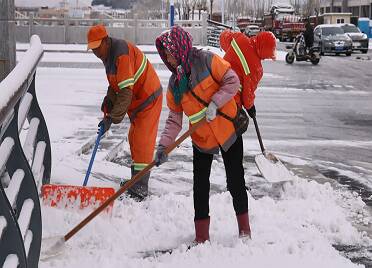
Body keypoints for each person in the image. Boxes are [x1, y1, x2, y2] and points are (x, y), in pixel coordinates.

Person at [154, 26, 251, 244]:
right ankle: (201, 237)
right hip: (202, 139)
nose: (168, 59)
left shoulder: (206, 60)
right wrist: (163, 147)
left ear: (178, 49)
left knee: (235, 180)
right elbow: (174, 119)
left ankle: (245, 231)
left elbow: (232, 80)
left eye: (169, 54)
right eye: (166, 55)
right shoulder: (175, 83)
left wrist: (216, 102)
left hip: (228, 130)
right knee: (200, 186)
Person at [87, 24, 163, 200]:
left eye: (97, 48)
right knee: (134, 139)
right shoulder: (108, 56)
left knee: (142, 141)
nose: (96, 53)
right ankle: (135, 181)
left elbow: (126, 91)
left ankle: (140, 188)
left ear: (106, 41)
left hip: (148, 98)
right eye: (93, 50)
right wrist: (109, 100)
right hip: (138, 102)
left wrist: (112, 119)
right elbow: (117, 85)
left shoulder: (120, 53)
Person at [219, 30, 276, 118]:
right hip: (231, 98)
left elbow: (224, 37)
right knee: (237, 126)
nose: (266, 58)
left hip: (216, 82)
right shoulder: (256, 68)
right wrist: (250, 107)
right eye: (268, 56)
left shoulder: (239, 38)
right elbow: (247, 94)